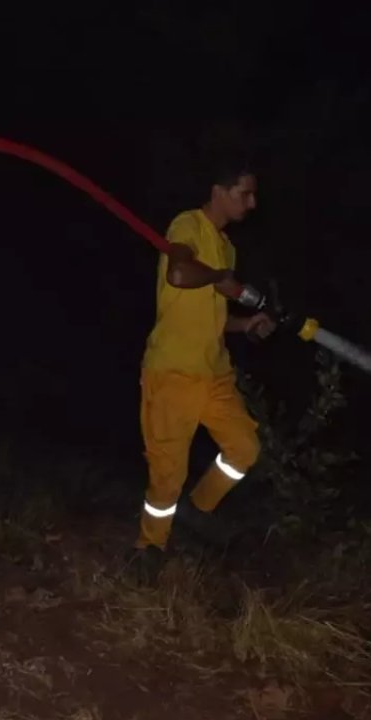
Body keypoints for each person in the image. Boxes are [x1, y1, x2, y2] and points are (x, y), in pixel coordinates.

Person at [130, 154, 277, 582]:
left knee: (244, 448)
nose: (251, 203)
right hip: (173, 371)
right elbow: (178, 272)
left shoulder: (228, 247)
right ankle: (148, 547)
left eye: (253, 195)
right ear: (219, 190)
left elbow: (211, 315)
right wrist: (219, 279)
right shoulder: (187, 225)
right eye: (244, 193)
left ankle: (199, 510)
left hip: (214, 373)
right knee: (166, 473)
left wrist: (245, 323)